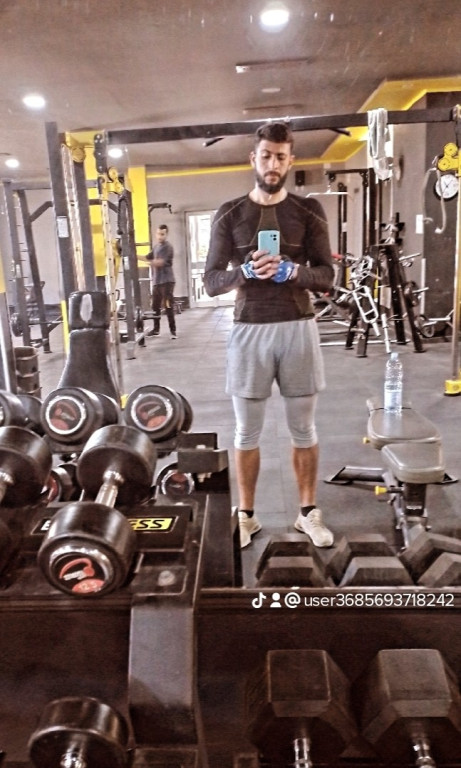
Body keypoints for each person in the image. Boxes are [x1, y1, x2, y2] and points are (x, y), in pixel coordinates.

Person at [204, 121, 335, 549]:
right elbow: (210, 282)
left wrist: (294, 272)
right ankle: (246, 516)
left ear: (290, 160)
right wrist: (243, 272)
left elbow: (328, 276)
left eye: (280, 157)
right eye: (266, 156)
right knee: (246, 432)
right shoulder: (229, 213)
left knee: (304, 429)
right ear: (253, 158)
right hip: (249, 331)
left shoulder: (308, 210)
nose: (273, 164)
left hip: (298, 327)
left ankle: (307, 513)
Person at [146, 224, 177, 339]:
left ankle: (173, 331)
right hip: (157, 282)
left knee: (168, 306)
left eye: (162, 234)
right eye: (158, 234)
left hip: (167, 281)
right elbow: (147, 257)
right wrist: (132, 254)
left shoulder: (168, 247)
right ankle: (156, 330)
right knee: (155, 307)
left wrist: (150, 263)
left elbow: (160, 262)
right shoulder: (156, 247)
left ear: (166, 235)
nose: (160, 236)